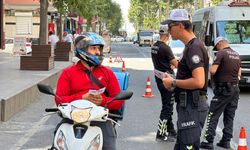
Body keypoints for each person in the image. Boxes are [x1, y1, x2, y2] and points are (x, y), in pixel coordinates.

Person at [55, 32, 123, 150]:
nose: (97, 52)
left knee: (109, 146)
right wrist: (82, 98)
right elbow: (59, 99)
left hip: (100, 119)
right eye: (93, 48)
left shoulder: (107, 73)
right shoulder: (68, 73)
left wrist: (103, 101)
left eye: (99, 48)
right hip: (72, 118)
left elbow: (119, 99)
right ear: (82, 49)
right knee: (57, 143)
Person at [161, 9, 209, 150]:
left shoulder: (194, 47)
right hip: (187, 105)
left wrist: (174, 82)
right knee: (182, 145)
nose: (169, 31)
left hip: (192, 106)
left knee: (188, 147)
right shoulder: (190, 47)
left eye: (170, 27)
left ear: (181, 25)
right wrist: (174, 82)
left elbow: (199, 81)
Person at [200, 37, 241, 149]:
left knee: (212, 114)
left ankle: (208, 141)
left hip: (224, 89)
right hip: (235, 89)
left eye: (217, 46)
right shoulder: (236, 54)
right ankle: (226, 141)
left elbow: (213, 70)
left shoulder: (221, 53)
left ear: (220, 43)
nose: (217, 48)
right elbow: (239, 73)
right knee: (229, 116)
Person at [151, 24, 178, 141]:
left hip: (159, 79)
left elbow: (162, 61)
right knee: (167, 108)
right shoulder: (166, 48)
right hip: (168, 80)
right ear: (168, 35)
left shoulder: (154, 46)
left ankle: (171, 130)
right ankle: (161, 133)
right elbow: (176, 64)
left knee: (168, 105)